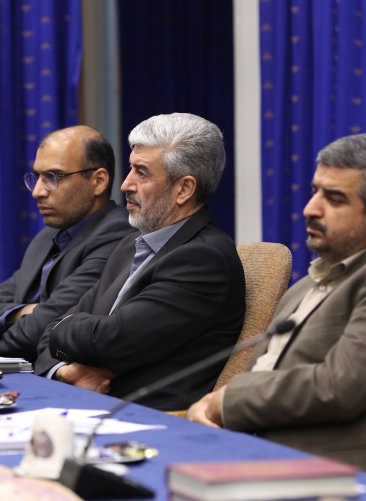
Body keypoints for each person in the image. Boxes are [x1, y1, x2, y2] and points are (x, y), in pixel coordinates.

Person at [187, 133, 366, 472]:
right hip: (255, 449)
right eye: (315, 191)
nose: (310, 209)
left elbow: (339, 387)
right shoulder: (317, 278)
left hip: (334, 469)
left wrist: (227, 401)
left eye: (335, 199)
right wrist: (214, 407)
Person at [34, 113, 246, 411]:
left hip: (150, 418)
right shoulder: (130, 245)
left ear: (184, 189)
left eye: (142, 173)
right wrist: (66, 371)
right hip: (90, 406)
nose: (125, 185)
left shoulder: (203, 259)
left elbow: (111, 340)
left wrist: (66, 328)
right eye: (131, 168)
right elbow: (49, 333)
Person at [0, 126, 133, 362]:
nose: (37, 191)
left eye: (53, 177)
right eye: (37, 177)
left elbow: (43, 329)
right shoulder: (47, 237)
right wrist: (26, 311)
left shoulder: (118, 235)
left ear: (98, 181)